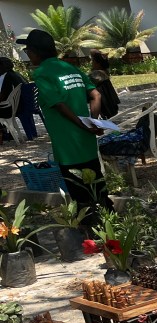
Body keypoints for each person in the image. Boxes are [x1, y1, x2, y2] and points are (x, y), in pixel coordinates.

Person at [17, 29, 110, 223]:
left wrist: (82, 125)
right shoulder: (70, 68)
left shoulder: (42, 73)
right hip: (87, 142)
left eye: (27, 51)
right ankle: (111, 225)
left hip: (68, 147)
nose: (28, 55)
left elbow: (59, 105)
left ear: (34, 52)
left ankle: (95, 235)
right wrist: (91, 122)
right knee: (98, 188)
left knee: (81, 196)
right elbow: (96, 95)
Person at [87, 51, 120, 120]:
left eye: (93, 61)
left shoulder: (97, 74)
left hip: (103, 104)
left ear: (98, 63)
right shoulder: (104, 72)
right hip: (108, 103)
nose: (92, 63)